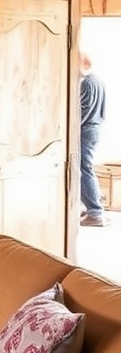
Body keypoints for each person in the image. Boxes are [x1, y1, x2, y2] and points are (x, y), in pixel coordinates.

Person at [79, 52, 107, 227]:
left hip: (87, 130)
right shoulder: (98, 81)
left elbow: (82, 110)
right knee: (86, 168)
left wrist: (67, 130)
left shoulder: (88, 83)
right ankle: (94, 209)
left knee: (84, 169)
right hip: (95, 129)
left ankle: (95, 212)